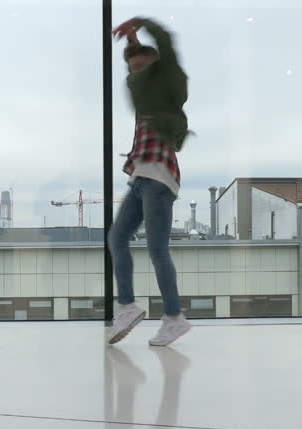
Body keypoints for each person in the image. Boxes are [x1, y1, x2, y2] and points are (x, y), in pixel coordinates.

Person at [108, 17, 191, 347]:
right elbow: (135, 73)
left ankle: (174, 317)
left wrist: (141, 24)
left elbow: (167, 45)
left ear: (157, 68)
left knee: (157, 250)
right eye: (132, 69)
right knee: (117, 239)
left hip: (159, 177)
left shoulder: (169, 87)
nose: (136, 73)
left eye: (143, 67)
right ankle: (127, 307)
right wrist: (131, 44)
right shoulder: (143, 93)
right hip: (141, 178)